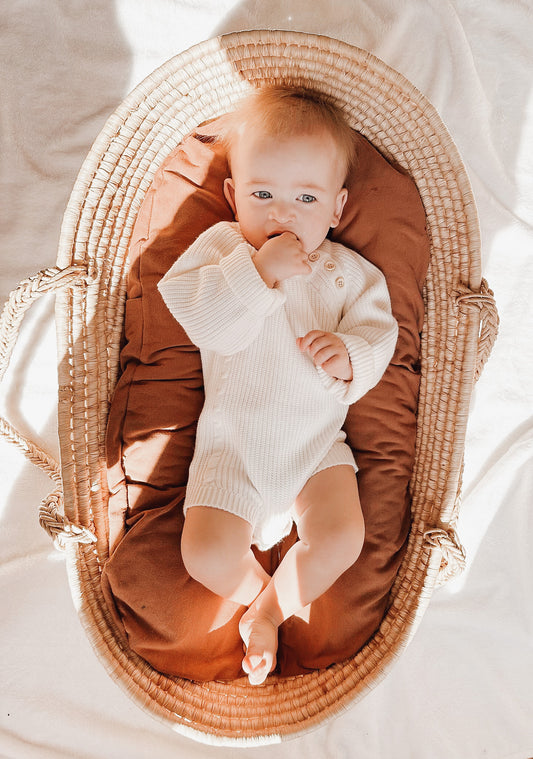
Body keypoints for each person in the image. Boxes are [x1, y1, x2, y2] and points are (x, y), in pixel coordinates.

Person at [158, 85, 398, 685]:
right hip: (230, 448)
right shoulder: (223, 250)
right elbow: (197, 315)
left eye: (305, 198)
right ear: (234, 195)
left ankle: (266, 612)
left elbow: (380, 332)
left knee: (342, 537)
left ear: (337, 209)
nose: (281, 214)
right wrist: (257, 272)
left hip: (317, 446)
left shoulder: (348, 273)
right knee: (204, 554)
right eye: (262, 194)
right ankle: (259, 593)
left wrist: (350, 358)